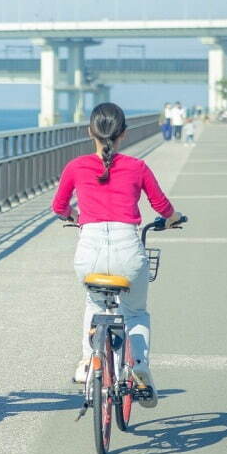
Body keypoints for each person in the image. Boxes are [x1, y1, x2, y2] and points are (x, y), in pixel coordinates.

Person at [51, 102, 182, 405]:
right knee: (135, 312)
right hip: (128, 250)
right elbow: (163, 207)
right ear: (124, 133)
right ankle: (140, 366)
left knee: (93, 303)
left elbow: (58, 207)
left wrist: (74, 215)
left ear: (89, 132)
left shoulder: (76, 166)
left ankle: (87, 362)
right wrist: (173, 220)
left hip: (90, 249)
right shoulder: (137, 167)